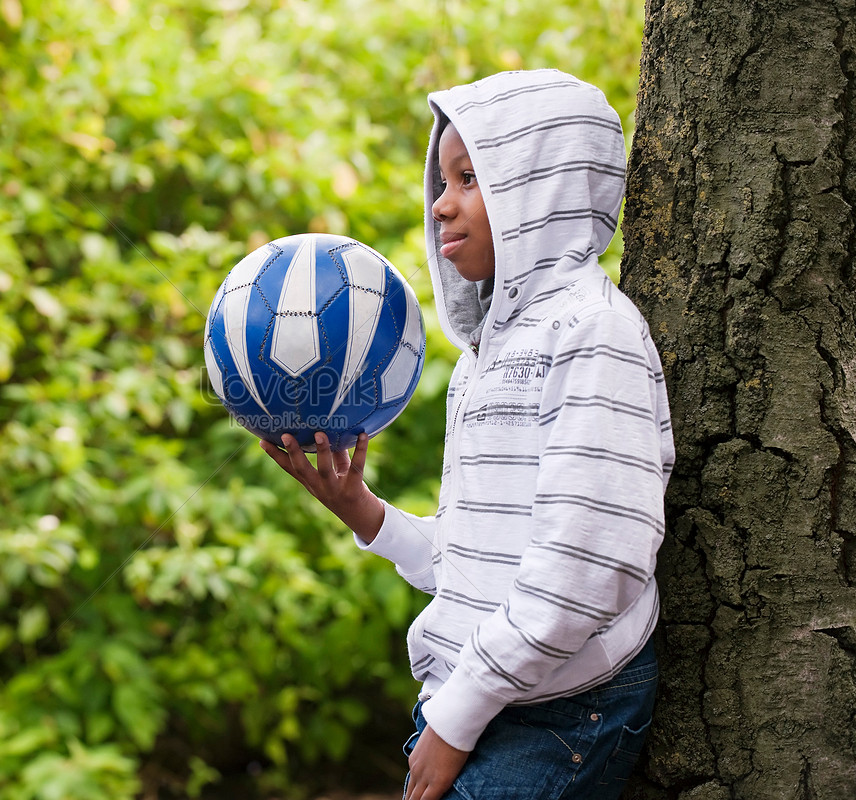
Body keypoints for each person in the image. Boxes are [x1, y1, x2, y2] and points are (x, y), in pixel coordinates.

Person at [260, 68, 675, 799]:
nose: (440, 204)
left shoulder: (595, 333)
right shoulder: (481, 363)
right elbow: (478, 567)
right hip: (479, 698)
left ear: (539, 189)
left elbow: (587, 570)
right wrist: (364, 513)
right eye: (440, 179)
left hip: (559, 711)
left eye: (469, 178)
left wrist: (458, 715)